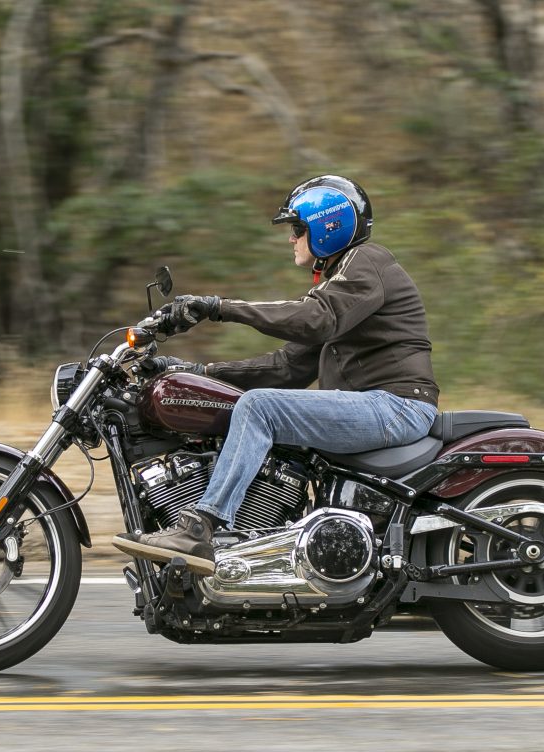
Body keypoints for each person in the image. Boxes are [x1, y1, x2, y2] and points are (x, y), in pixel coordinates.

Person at [112, 175, 439, 574]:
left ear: (328, 227)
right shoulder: (342, 283)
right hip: (372, 406)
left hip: (396, 406)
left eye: (298, 229)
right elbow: (288, 368)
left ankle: (201, 530)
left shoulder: (367, 263)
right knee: (257, 404)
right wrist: (198, 371)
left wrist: (220, 308)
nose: (291, 240)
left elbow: (313, 319)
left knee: (259, 408)